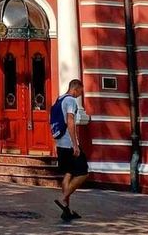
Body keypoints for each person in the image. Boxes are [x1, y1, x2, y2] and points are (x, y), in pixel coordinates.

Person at [53, 78, 89, 223]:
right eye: (80, 91)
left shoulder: (59, 99)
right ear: (76, 88)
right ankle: (63, 199)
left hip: (60, 142)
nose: (81, 94)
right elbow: (70, 121)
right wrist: (75, 145)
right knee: (83, 172)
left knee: (68, 173)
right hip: (69, 143)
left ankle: (66, 209)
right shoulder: (70, 101)